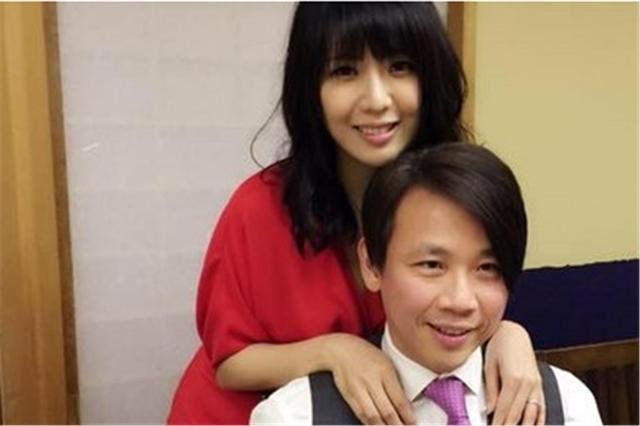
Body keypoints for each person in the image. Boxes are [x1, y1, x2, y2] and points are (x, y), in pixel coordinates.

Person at [167, 3, 545, 425]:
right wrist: (334, 351)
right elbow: (230, 362)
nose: (377, 100)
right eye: (344, 71)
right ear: (311, 86)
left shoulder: (457, 195)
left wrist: (508, 335)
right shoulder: (258, 207)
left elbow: (460, 307)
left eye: (400, 67)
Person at [249, 143, 603, 425]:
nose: (461, 301)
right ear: (371, 263)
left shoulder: (568, 405)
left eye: (487, 267)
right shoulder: (295, 417)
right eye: (432, 265)